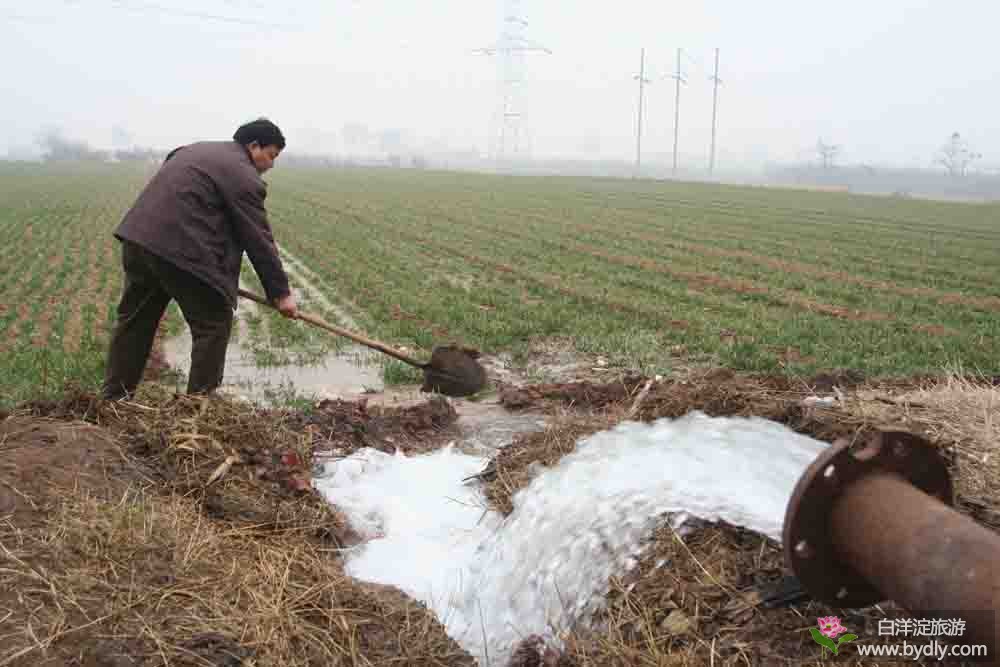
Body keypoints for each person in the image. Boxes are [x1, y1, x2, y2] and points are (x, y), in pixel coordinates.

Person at [101, 118, 298, 401]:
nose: (271, 165)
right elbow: (258, 239)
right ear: (254, 146)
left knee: (135, 322)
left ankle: (113, 400)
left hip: (139, 240)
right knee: (214, 322)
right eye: (271, 155)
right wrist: (281, 294)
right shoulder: (242, 175)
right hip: (178, 250)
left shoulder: (193, 150)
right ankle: (197, 409)